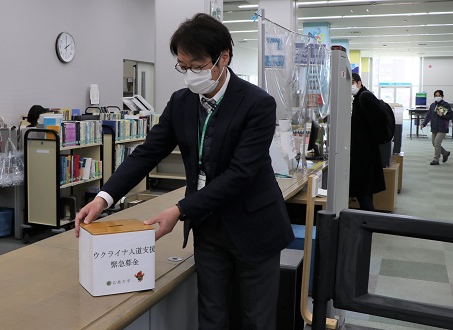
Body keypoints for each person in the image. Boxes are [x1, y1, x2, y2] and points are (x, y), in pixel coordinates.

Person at [75, 13, 294, 330]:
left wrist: (179, 209)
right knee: (211, 315)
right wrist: (104, 198)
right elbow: (147, 153)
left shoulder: (257, 103)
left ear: (224, 58)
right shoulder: (181, 103)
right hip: (207, 226)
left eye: (198, 66)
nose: (191, 74)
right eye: (183, 66)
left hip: (253, 225)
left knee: (256, 320)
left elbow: (240, 174)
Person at [349, 73, 386, 211]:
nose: (350, 86)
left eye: (352, 82)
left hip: (365, 151)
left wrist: (366, 138)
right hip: (363, 150)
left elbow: (378, 120)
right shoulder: (359, 97)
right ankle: (368, 218)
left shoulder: (365, 96)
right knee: (364, 189)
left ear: (359, 82)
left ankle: (368, 220)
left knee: (362, 189)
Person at [420, 90, 452, 165]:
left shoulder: (445, 105)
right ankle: (445, 153)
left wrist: (442, 115)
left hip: (442, 127)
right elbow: (428, 116)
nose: (437, 97)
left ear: (442, 96)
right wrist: (423, 124)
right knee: (434, 143)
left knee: (437, 143)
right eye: (436, 95)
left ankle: (436, 159)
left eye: (439, 95)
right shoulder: (432, 105)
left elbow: (450, 116)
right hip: (434, 127)